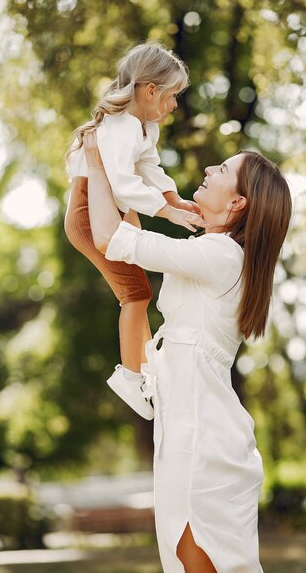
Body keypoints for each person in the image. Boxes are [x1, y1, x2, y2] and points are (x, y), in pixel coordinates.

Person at [83, 130, 292, 573]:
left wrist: (99, 163)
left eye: (223, 169)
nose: (210, 169)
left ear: (238, 202)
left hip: (201, 442)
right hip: (187, 433)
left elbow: (110, 237)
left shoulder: (222, 256)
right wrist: (129, 166)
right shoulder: (209, 252)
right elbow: (128, 234)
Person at [64, 42, 204, 420]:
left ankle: (144, 371)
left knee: (136, 291)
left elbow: (151, 169)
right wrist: (169, 214)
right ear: (150, 90)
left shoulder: (142, 128)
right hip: (88, 214)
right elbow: (125, 185)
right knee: (136, 293)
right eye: (172, 96)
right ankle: (131, 376)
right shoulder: (120, 127)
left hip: (111, 212)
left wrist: (175, 200)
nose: (175, 105)